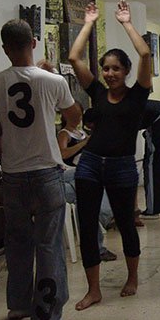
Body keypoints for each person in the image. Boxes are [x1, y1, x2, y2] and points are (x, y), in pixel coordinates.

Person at [0, 19, 77, 320]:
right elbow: (75, 118)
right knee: (48, 245)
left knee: (17, 242)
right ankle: (46, 316)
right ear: (34, 42)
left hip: (13, 177)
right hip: (47, 173)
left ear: (5, 48)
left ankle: (18, 304)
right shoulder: (53, 81)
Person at [68, 1, 151, 310]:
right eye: (106, 68)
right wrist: (88, 21)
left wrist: (126, 23)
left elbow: (144, 54)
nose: (110, 73)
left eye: (116, 68)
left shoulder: (138, 94)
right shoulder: (98, 93)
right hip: (90, 164)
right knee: (87, 224)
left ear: (126, 71)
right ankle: (93, 290)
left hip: (122, 167)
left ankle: (132, 278)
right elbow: (74, 57)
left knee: (127, 223)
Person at [57, 103, 117, 261]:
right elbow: (62, 154)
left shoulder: (82, 132)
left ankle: (97, 246)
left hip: (79, 178)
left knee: (85, 201)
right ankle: (105, 217)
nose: (77, 117)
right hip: (70, 173)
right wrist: (84, 144)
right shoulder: (64, 134)